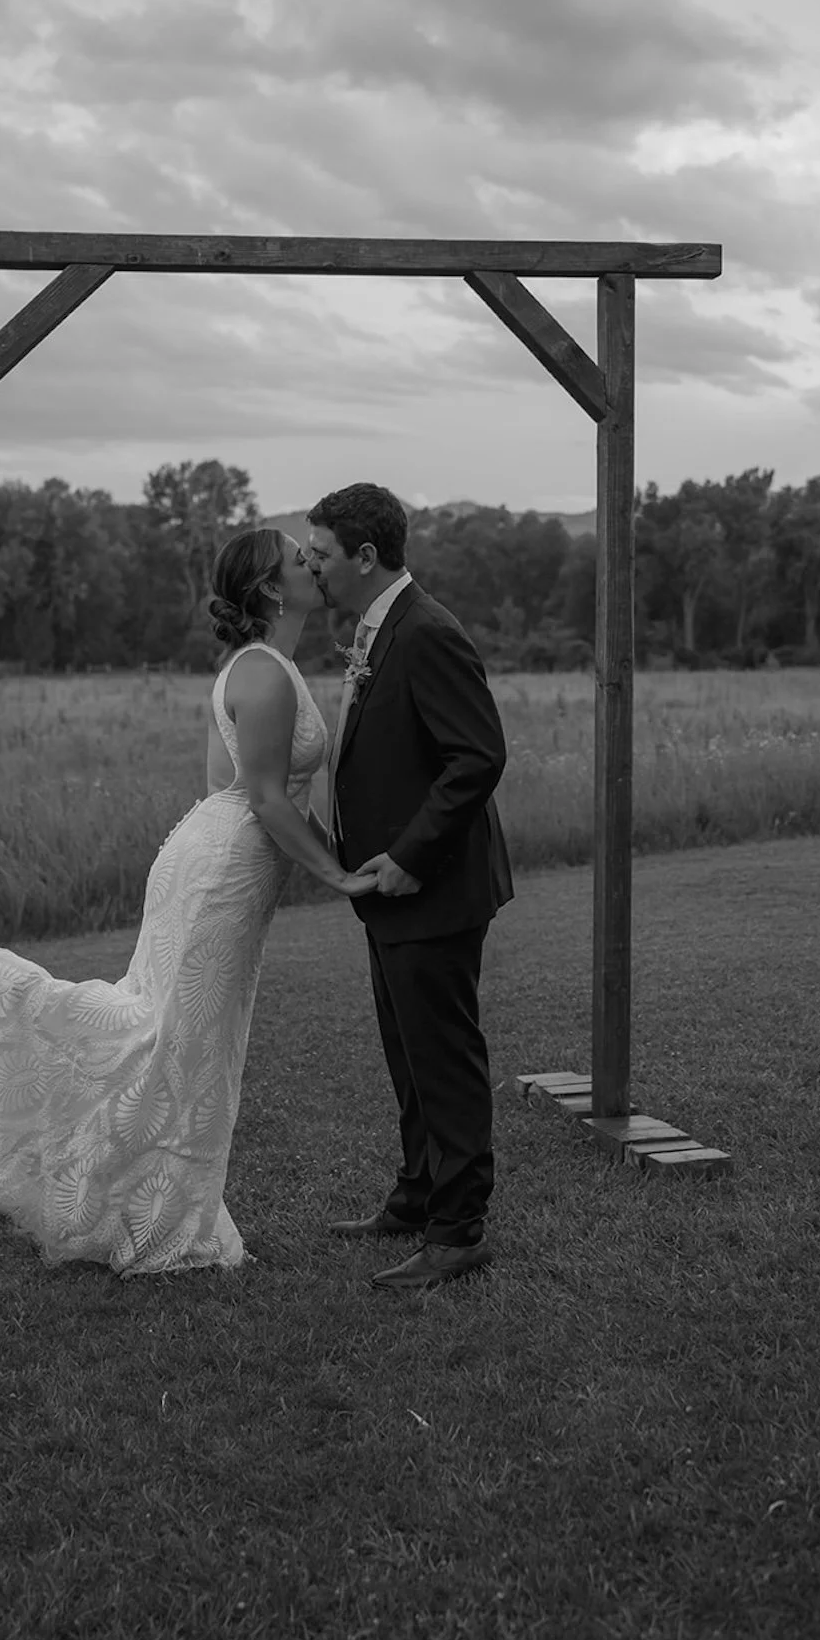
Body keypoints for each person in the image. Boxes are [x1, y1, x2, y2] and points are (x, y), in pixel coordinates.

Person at [0, 529, 377, 1277]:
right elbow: (270, 800)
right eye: (298, 559)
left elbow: (283, 794)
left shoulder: (270, 666)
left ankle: (155, 1209)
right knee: (169, 1039)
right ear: (273, 590)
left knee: (184, 1043)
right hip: (221, 871)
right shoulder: (265, 674)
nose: (314, 563)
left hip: (219, 859)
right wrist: (337, 880)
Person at [306, 483, 514, 1293]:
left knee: (444, 1057)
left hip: (432, 887)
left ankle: (458, 1231)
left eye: (321, 553)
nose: (310, 566)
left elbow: (479, 755)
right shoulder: (379, 626)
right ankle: (418, 1194)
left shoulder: (424, 631)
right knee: (409, 1054)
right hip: (389, 893)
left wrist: (410, 855)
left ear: (365, 557)